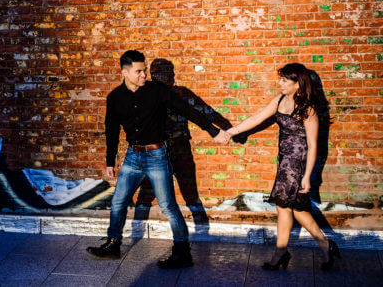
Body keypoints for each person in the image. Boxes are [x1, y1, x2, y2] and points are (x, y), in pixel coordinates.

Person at [87, 50, 226, 269]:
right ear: (124, 72)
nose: (144, 75)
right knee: (118, 201)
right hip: (132, 157)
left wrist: (213, 130)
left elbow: (187, 109)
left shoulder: (157, 91)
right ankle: (113, 243)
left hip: (157, 156)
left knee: (168, 206)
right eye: (139, 71)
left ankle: (182, 253)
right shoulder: (115, 97)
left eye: (145, 71)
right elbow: (111, 130)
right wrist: (109, 161)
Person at [214, 62, 339, 271]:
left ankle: (282, 252)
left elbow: (313, 145)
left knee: (284, 206)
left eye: (284, 80)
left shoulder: (308, 109)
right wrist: (230, 132)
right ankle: (325, 245)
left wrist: (307, 176)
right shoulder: (280, 100)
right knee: (296, 208)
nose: (279, 83)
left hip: (298, 164)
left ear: (297, 83)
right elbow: (256, 118)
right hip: (284, 162)